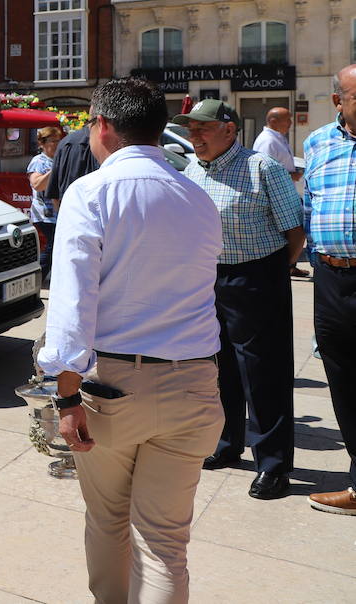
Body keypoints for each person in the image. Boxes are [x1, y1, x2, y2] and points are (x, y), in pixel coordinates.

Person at [38, 77, 224, 603]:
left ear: (102, 125)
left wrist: (67, 394)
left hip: (117, 386)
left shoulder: (93, 191)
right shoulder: (196, 195)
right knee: (165, 543)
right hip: (195, 382)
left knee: (109, 522)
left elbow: (72, 304)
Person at [178, 99, 304, 500]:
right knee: (219, 368)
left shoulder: (261, 168)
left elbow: (294, 231)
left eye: (202, 128)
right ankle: (226, 444)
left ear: (229, 130)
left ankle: (273, 465)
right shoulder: (192, 169)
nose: (193, 136)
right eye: (190, 129)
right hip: (207, 276)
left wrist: (270, 275)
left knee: (264, 373)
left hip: (256, 275)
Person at [304, 64, 356, 516]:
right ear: (338, 101)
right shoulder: (317, 143)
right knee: (342, 379)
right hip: (333, 277)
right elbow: (310, 207)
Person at [252, 106, 309, 278]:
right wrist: (291, 174)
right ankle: (286, 265)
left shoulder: (277, 138)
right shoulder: (267, 141)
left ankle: (290, 265)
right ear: (273, 121)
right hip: (276, 195)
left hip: (285, 190)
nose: (291, 123)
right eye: (288, 120)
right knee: (293, 230)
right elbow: (264, 170)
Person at [27, 126, 62, 285]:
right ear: (42, 143)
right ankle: (37, 281)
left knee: (55, 246)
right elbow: (36, 184)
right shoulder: (38, 161)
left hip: (58, 212)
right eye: (52, 141)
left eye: (58, 140)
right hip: (45, 213)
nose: (56, 144)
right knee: (53, 245)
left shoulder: (58, 159)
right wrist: (54, 171)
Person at [44, 120, 100, 216]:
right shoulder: (100, 142)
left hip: (69, 211)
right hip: (91, 212)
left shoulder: (64, 142)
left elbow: (54, 193)